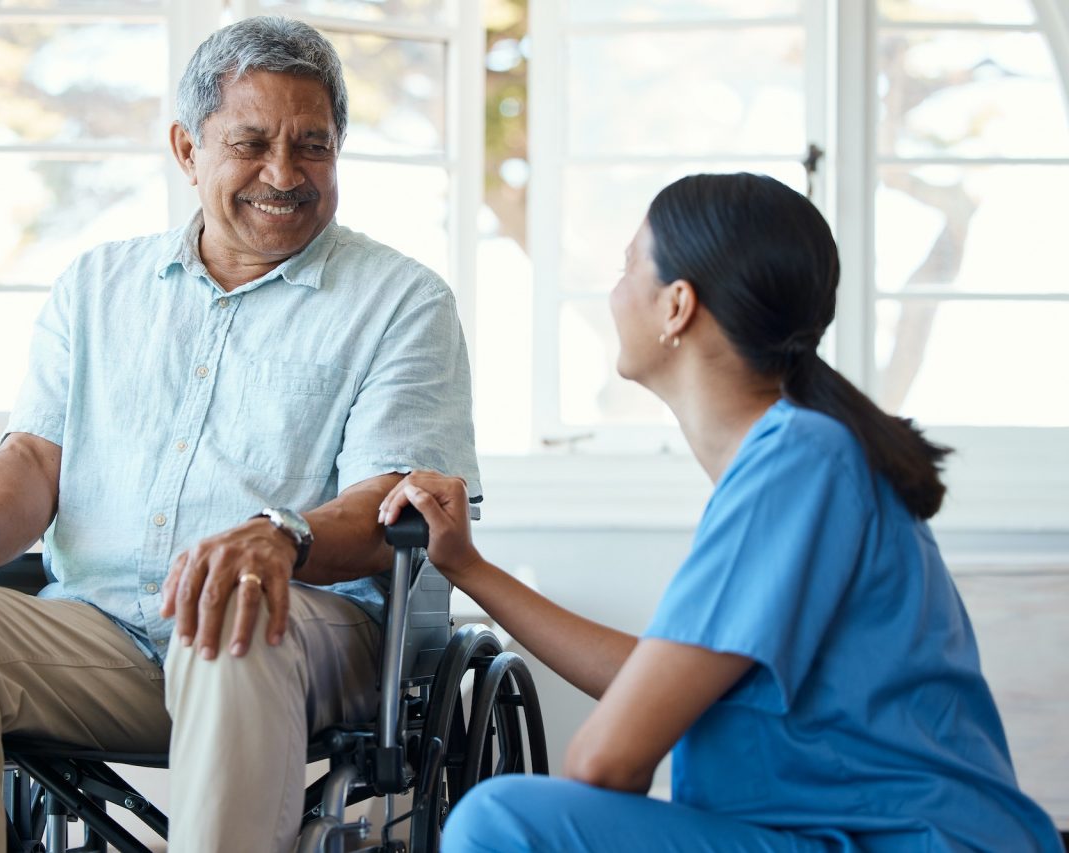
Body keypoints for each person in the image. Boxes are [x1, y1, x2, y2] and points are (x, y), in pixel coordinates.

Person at [0, 16, 479, 853]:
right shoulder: (95, 287)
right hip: (105, 629)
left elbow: (393, 502)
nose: (284, 174)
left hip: (308, 633)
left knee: (234, 608)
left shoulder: (403, 302)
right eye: (251, 143)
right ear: (187, 149)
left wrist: (280, 537)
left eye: (313, 147)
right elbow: (34, 457)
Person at [380, 173, 1062, 852]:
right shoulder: (801, 457)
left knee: (497, 819)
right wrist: (467, 567)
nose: (613, 293)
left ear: (677, 304)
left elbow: (604, 759)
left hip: (913, 843)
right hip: (842, 836)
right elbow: (651, 680)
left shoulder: (801, 460)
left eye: (626, 268)